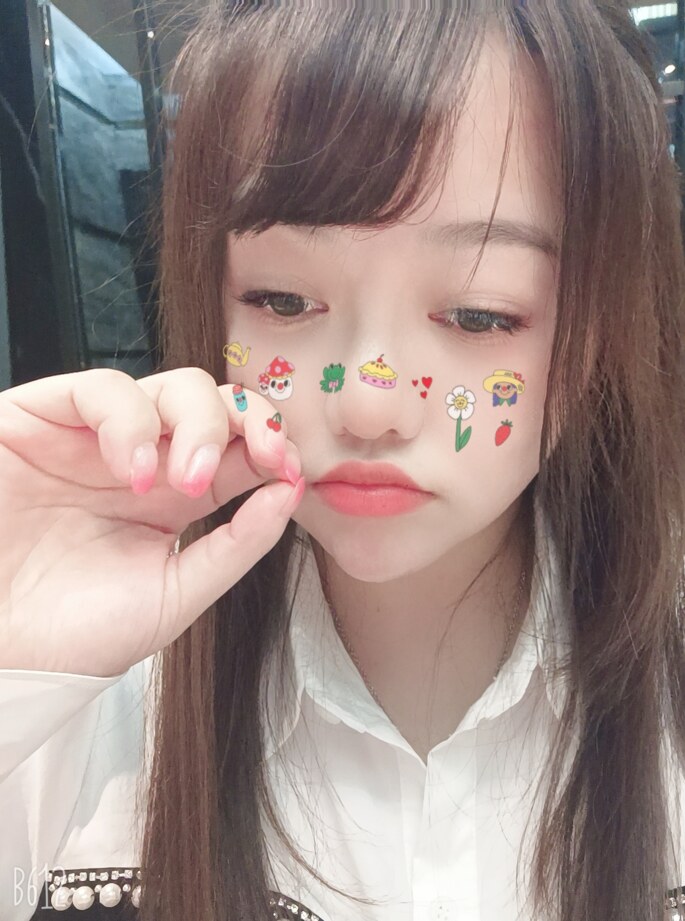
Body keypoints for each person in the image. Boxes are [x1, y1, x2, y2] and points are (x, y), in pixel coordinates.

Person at [0, 1, 684, 920]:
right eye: (282, 300)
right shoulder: (91, 695)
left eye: (479, 314)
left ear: (601, 331)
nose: (365, 403)